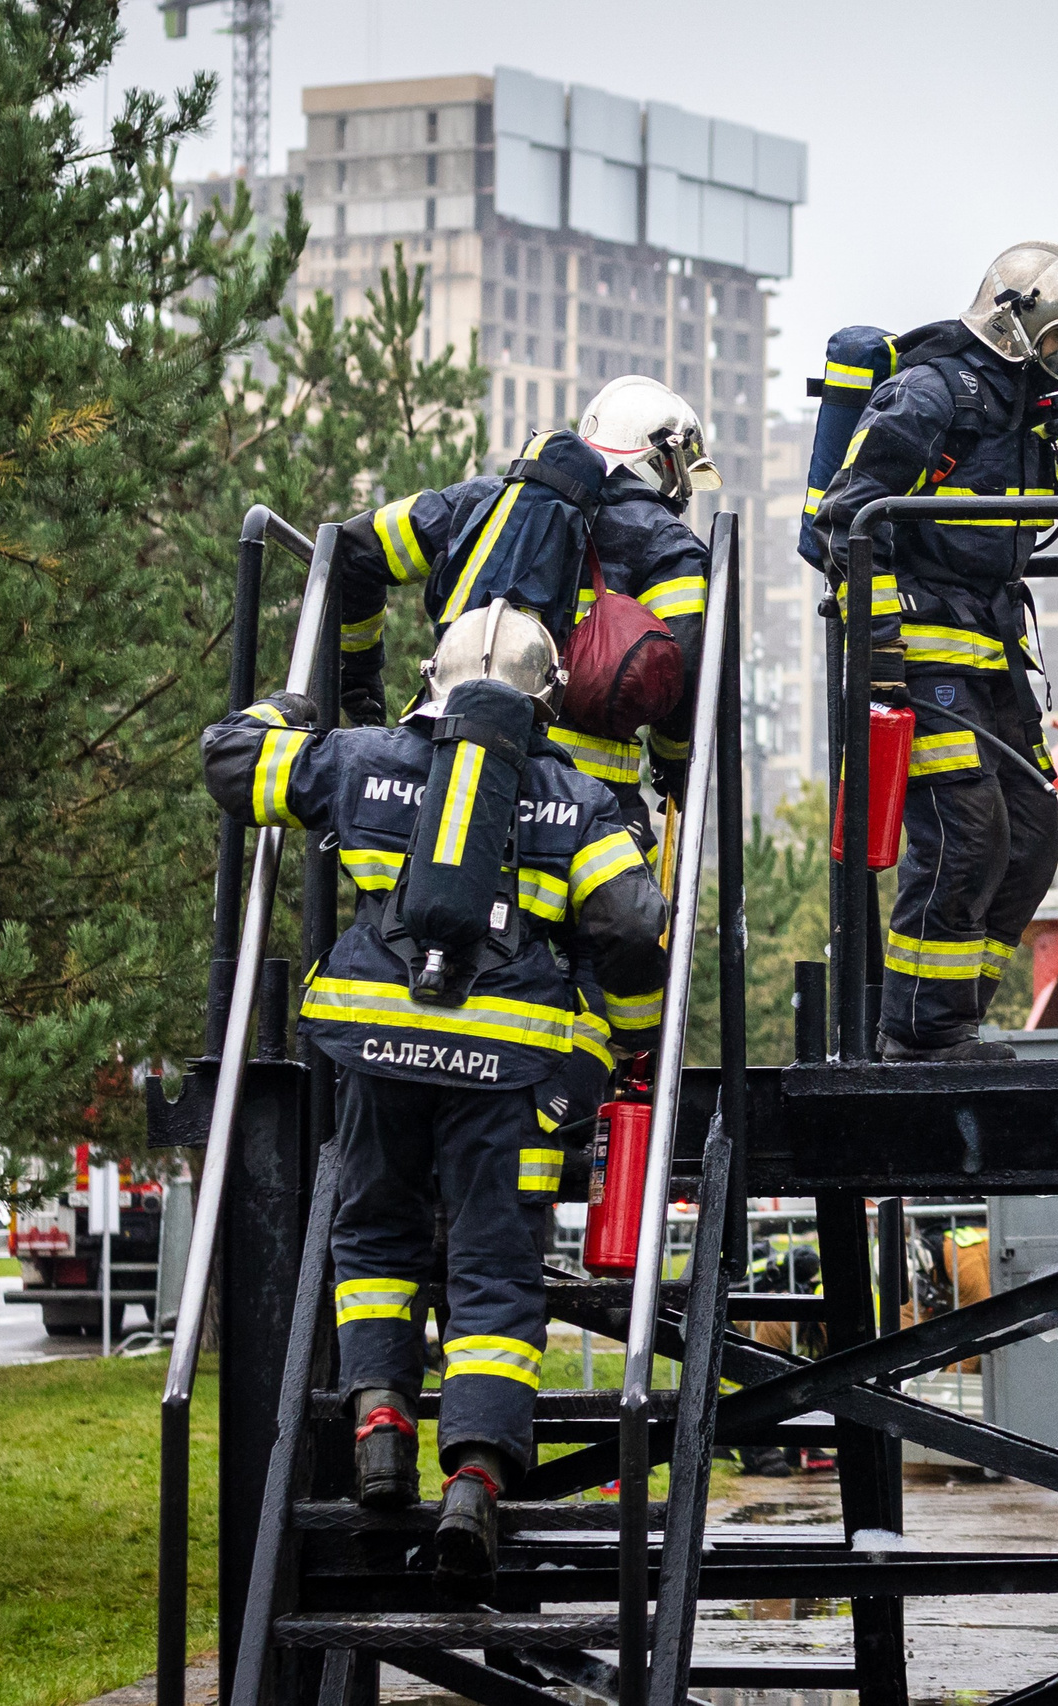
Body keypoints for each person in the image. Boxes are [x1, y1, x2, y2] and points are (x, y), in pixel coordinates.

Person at [201, 605, 668, 1577]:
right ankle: (475, 1478)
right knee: (494, 1267)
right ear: (548, 699)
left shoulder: (361, 761)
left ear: (430, 678)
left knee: (373, 1237)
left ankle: (378, 1421)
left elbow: (233, 762)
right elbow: (629, 926)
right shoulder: (573, 797)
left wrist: (286, 708)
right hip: (503, 1066)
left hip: (376, 1046)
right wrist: (632, 1040)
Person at [810, 242, 1058, 1061]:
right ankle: (919, 1033)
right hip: (923, 658)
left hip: (992, 656)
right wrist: (879, 648)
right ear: (1018, 325)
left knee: (1029, 846)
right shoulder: (928, 395)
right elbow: (847, 520)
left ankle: (952, 1014)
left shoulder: (1028, 414)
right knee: (968, 836)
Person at [333, 380, 714, 1063]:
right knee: (594, 987)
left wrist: (358, 683)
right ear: (660, 459)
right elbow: (682, 678)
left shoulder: (482, 503)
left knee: (401, 951)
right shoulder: (667, 545)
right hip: (583, 811)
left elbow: (351, 553)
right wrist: (675, 766)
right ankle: (591, 1114)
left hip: (436, 785)